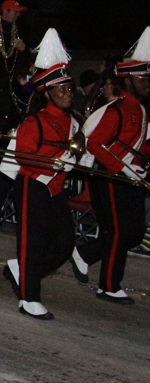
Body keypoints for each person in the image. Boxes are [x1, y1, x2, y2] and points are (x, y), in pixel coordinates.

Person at [71, 27, 150, 305]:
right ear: (128, 79)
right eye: (143, 77)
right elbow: (95, 144)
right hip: (111, 176)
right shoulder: (117, 109)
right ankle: (108, 285)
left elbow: (140, 144)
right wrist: (121, 168)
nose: (147, 82)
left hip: (131, 176)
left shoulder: (140, 109)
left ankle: (86, 253)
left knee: (134, 232)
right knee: (118, 231)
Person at [3, 29, 78, 319]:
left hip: (56, 190)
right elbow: (23, 155)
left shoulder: (72, 122)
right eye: (61, 88)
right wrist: (56, 161)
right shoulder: (36, 121)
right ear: (47, 91)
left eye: (69, 87)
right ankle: (28, 296)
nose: (67, 92)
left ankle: (23, 271)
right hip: (33, 185)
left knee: (64, 243)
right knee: (32, 244)